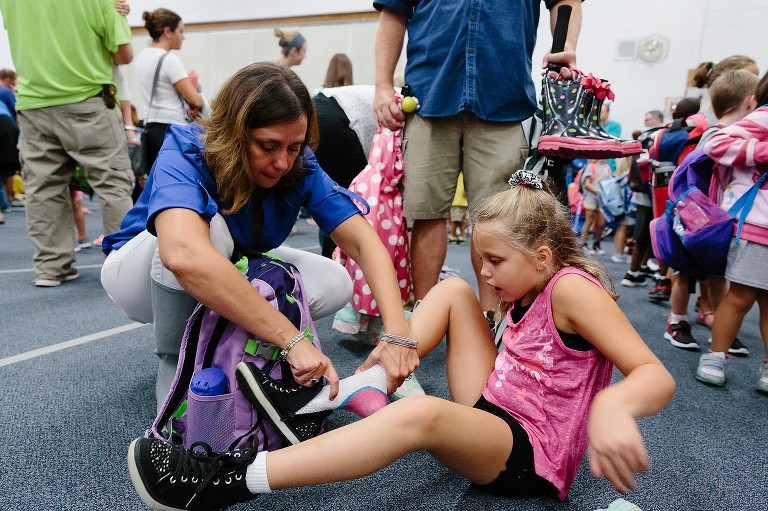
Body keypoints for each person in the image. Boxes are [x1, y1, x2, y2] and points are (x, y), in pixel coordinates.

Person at [127, 171, 676, 511]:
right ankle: (361, 384)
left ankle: (228, 480)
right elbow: (492, 321)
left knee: (422, 417)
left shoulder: (573, 291)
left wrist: (614, 406)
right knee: (453, 292)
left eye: (496, 261)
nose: (487, 273)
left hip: (529, 455)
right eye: (481, 257)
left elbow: (656, 376)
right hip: (497, 409)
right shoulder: (524, 280)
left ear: (543, 257)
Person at [100, 63, 417, 407]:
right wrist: (291, 340)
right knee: (210, 234)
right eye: (268, 146)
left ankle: (232, 356)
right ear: (235, 133)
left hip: (224, 263)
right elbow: (182, 256)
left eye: (293, 147)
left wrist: (398, 332)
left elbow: (362, 240)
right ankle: (178, 383)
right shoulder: (186, 147)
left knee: (335, 279)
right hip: (137, 277)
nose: (282, 162)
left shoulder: (300, 163)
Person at [373, 0, 582, 315]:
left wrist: (564, 46)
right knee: (427, 214)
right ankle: (425, 317)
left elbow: (566, 1)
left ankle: (492, 323)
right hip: (429, 94)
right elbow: (394, 11)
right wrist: (382, 85)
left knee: (500, 222)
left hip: (504, 98)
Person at [0, 0, 135, 287]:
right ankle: (126, 266)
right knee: (112, 182)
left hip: (34, 103)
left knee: (42, 187)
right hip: (88, 100)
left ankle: (51, 267)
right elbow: (123, 55)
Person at [695, 70, 768, 391]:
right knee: (739, 296)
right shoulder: (763, 118)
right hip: (756, 226)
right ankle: (716, 355)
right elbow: (717, 142)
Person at [135, 8, 205, 177]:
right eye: (180, 31)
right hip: (171, 129)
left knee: (157, 179)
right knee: (178, 178)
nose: (183, 37)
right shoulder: (169, 60)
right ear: (168, 31)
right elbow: (194, 100)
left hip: (150, 127)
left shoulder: (142, 56)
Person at [312, 84, 375, 258]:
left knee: (331, 199)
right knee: (349, 204)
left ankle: (332, 262)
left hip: (321, 106)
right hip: (338, 120)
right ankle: (337, 263)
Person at [579, 159, 612, 255]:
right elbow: (587, 183)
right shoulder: (590, 166)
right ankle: (583, 244)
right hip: (591, 197)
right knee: (589, 220)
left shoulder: (607, 168)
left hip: (602, 199)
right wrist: (598, 192)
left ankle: (596, 244)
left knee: (601, 223)